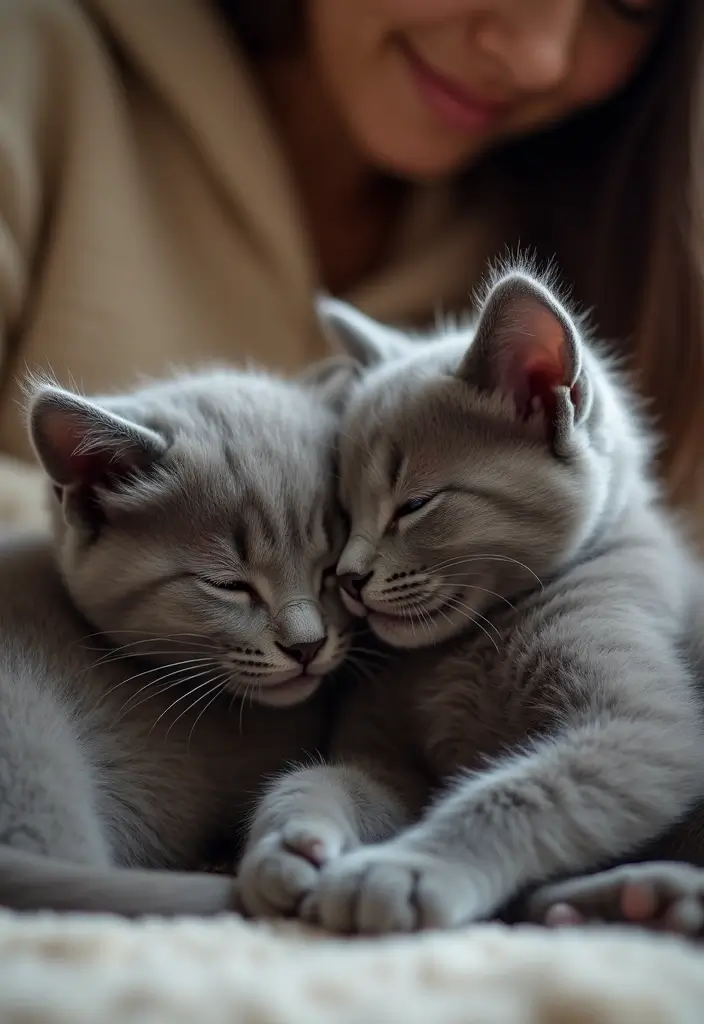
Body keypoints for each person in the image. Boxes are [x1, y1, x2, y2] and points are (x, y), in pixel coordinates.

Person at [1, 0, 702, 933]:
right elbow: (387, 777)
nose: (532, 54)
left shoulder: (600, 211)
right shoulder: (34, 63)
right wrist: (313, 822)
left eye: (628, 4)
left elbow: (637, 745)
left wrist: (455, 856)